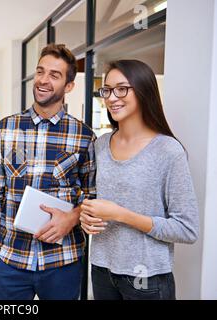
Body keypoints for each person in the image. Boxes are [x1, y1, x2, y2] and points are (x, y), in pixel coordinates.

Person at [0, 44, 96, 300]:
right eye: (40, 71)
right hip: (9, 261)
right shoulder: (3, 129)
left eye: (54, 75)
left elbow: (92, 196)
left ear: (68, 86)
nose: (43, 80)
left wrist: (73, 217)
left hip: (62, 263)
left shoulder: (84, 136)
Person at [80, 59, 199, 300]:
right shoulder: (100, 145)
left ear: (144, 91)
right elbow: (95, 201)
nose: (112, 97)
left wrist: (121, 214)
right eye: (107, 90)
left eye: (122, 89)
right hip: (102, 270)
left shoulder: (168, 151)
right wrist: (86, 216)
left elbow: (187, 229)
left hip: (148, 279)